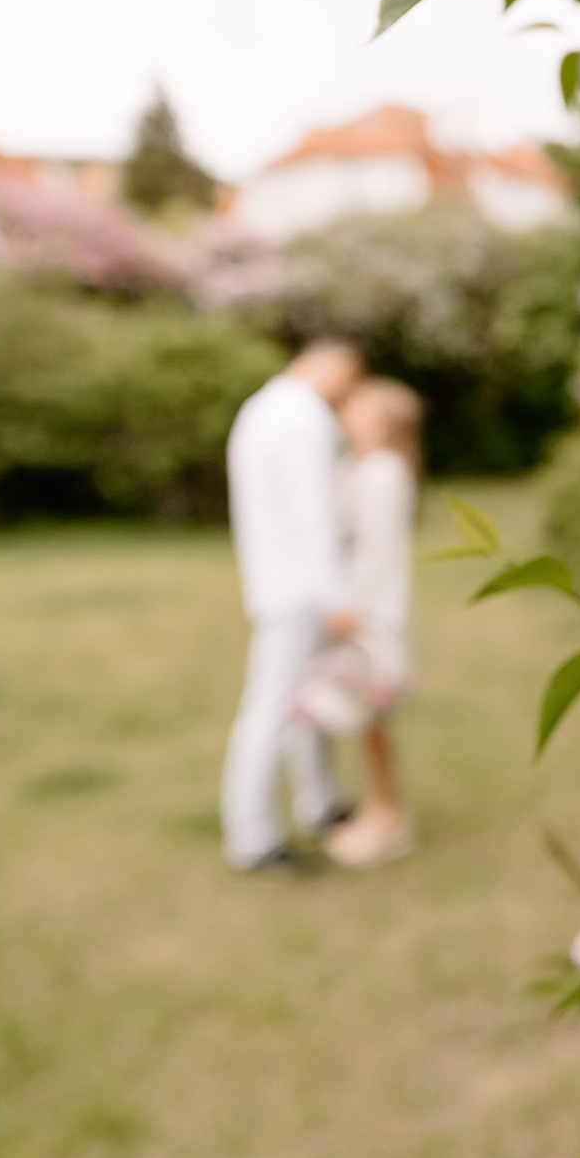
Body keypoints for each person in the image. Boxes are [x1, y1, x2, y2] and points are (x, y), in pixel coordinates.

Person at [219, 337, 363, 870]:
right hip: (303, 587)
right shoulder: (304, 417)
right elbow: (314, 512)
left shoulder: (261, 407)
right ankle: (252, 837)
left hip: (275, 578)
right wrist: (336, 595)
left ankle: (319, 802)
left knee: (307, 702)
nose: (349, 395)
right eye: (350, 382)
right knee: (274, 708)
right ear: (333, 364)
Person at [318, 377, 422, 867]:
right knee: (365, 720)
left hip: (372, 615)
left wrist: (353, 608)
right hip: (357, 609)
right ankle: (380, 809)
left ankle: (389, 815)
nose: (348, 409)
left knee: (372, 716)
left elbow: (376, 551)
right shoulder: (355, 467)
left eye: (360, 405)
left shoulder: (384, 471)